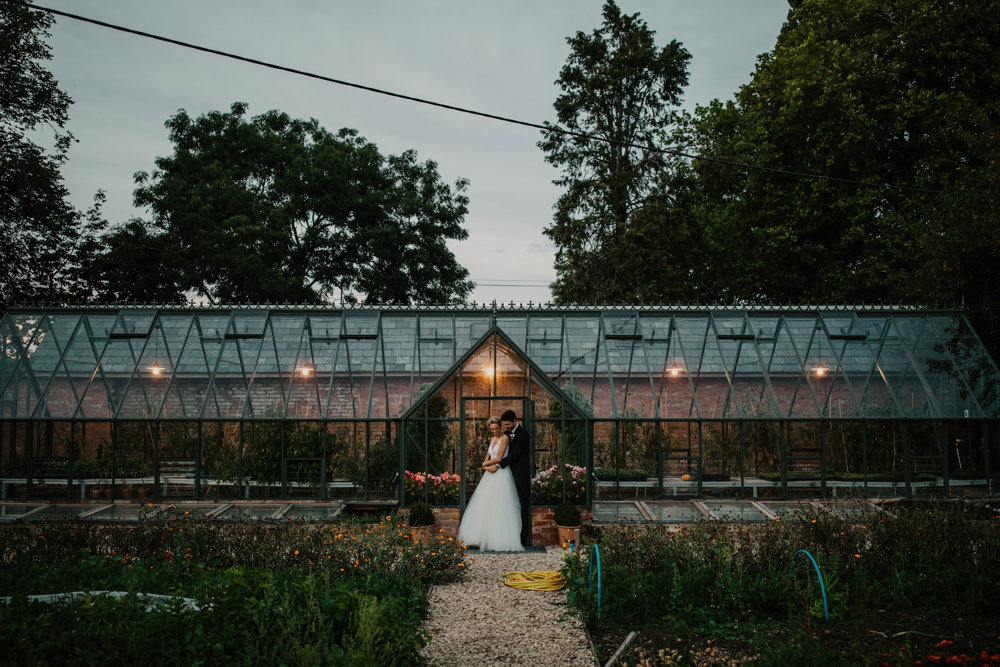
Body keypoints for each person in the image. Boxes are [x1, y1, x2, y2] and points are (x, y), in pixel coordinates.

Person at [456, 416, 524, 552]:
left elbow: (498, 458)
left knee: (499, 505)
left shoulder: (504, 438)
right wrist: (486, 466)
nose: (494, 431)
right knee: (484, 503)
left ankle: (498, 540)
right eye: (492, 429)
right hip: (490, 473)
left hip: (501, 472)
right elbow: (488, 456)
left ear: (500, 427)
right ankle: (479, 538)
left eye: (496, 429)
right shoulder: (492, 439)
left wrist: (485, 464)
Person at [494, 408, 531, 547]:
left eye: (508, 425)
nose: (506, 427)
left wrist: (498, 465)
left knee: (521, 505)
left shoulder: (523, 435)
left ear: (516, 421)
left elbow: (515, 455)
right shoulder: (506, 434)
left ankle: (522, 539)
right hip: (508, 475)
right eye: (505, 425)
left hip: (520, 475)